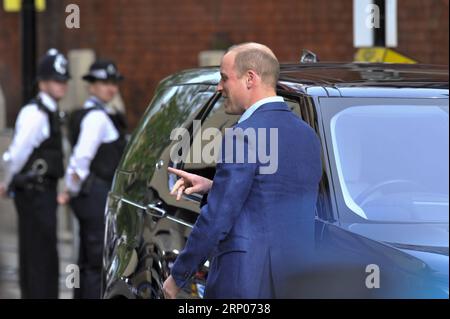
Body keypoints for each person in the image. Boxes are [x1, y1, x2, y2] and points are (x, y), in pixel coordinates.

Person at [163, 43, 322, 299]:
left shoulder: (243, 134)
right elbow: (271, 195)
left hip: (245, 283)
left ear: (250, 78)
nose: (219, 87)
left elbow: (217, 218)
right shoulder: (308, 136)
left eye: (224, 78)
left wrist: (178, 275)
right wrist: (214, 186)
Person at [0, 49, 70, 298]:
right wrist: (5, 182)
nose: (61, 84)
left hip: (42, 193)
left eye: (63, 80)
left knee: (44, 256)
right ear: (42, 81)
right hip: (34, 193)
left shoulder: (49, 111)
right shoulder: (37, 112)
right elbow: (16, 153)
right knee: (38, 258)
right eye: (55, 79)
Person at [57, 59, 127, 298]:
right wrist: (71, 189)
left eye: (114, 83)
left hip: (90, 194)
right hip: (94, 194)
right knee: (96, 262)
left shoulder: (94, 113)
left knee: (88, 258)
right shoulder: (96, 117)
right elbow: (80, 159)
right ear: (91, 86)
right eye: (105, 83)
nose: (111, 88)